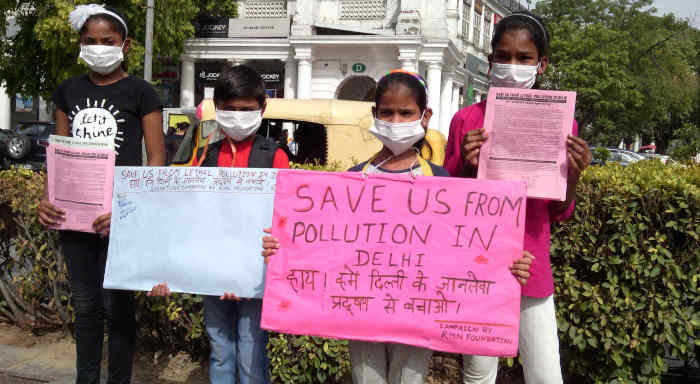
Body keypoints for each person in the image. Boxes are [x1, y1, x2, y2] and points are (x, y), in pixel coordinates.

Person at [261, 70, 535, 384]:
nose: (396, 121)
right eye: (387, 113)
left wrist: (508, 265)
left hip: (418, 316)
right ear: (374, 115)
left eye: (406, 113)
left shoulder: (443, 183)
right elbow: (323, 245)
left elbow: (469, 250)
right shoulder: (348, 181)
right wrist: (283, 250)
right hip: (359, 314)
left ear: (425, 116)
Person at [443, 12, 592, 384]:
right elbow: (445, 206)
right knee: (478, 373)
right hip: (478, 266)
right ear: (490, 60)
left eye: (524, 58)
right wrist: (465, 165)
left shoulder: (562, 123)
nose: (512, 66)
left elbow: (559, 211)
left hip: (532, 264)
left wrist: (573, 175)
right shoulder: (466, 121)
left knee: (545, 374)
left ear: (541, 65)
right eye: (504, 56)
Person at [36, 4, 165, 383]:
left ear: (125, 46)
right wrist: (48, 199)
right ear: (80, 44)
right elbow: (58, 153)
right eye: (90, 41)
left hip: (120, 218)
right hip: (74, 218)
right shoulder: (68, 90)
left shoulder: (141, 91)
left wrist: (131, 210)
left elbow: (156, 158)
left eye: (107, 41)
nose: (98, 47)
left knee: (119, 308)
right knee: (86, 307)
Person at [149, 64, 290, 384]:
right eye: (228, 110)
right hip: (212, 275)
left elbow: (285, 220)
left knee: (253, 353)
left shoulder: (275, 156)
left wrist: (243, 272)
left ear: (262, 108)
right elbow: (189, 217)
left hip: (255, 279)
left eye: (246, 110)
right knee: (221, 350)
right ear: (217, 109)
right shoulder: (204, 156)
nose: (237, 116)